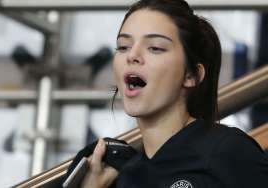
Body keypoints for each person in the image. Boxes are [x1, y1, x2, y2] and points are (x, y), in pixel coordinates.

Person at [72, 0, 268, 187]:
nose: (132, 55)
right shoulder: (123, 175)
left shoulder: (228, 151)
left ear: (191, 75)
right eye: (123, 46)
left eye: (155, 48)